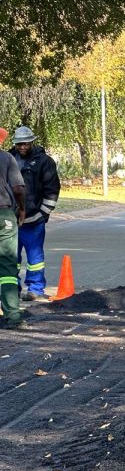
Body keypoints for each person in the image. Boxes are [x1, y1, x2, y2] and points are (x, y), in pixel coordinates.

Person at [10, 126, 60, 301]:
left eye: (25, 143)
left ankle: (35, 289)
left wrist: (43, 214)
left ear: (32, 142)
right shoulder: (9, 159)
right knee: (11, 258)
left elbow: (52, 190)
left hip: (34, 220)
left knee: (35, 257)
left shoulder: (44, 162)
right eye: (19, 144)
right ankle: (11, 290)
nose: (22, 147)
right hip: (11, 221)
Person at [0, 128, 27, 329]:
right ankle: (13, 314)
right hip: (3, 214)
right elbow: (18, 188)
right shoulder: (7, 158)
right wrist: (22, 209)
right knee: (8, 265)